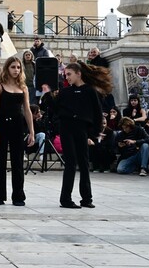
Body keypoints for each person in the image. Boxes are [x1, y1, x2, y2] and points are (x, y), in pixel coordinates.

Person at [56, 61, 111, 208]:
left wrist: (93, 136)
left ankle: (87, 198)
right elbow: (55, 109)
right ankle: (65, 199)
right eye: (65, 74)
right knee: (71, 163)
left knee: (84, 163)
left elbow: (98, 115)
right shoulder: (65, 92)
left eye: (69, 74)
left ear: (78, 74)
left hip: (82, 129)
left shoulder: (91, 91)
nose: (66, 77)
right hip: (66, 128)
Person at [0, 57, 34, 206]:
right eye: (13, 67)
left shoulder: (23, 87)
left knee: (18, 162)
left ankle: (18, 196)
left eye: (18, 67)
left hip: (17, 126)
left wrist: (32, 132)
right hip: (2, 125)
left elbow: (27, 110)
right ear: (7, 68)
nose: (16, 70)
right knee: (0, 162)